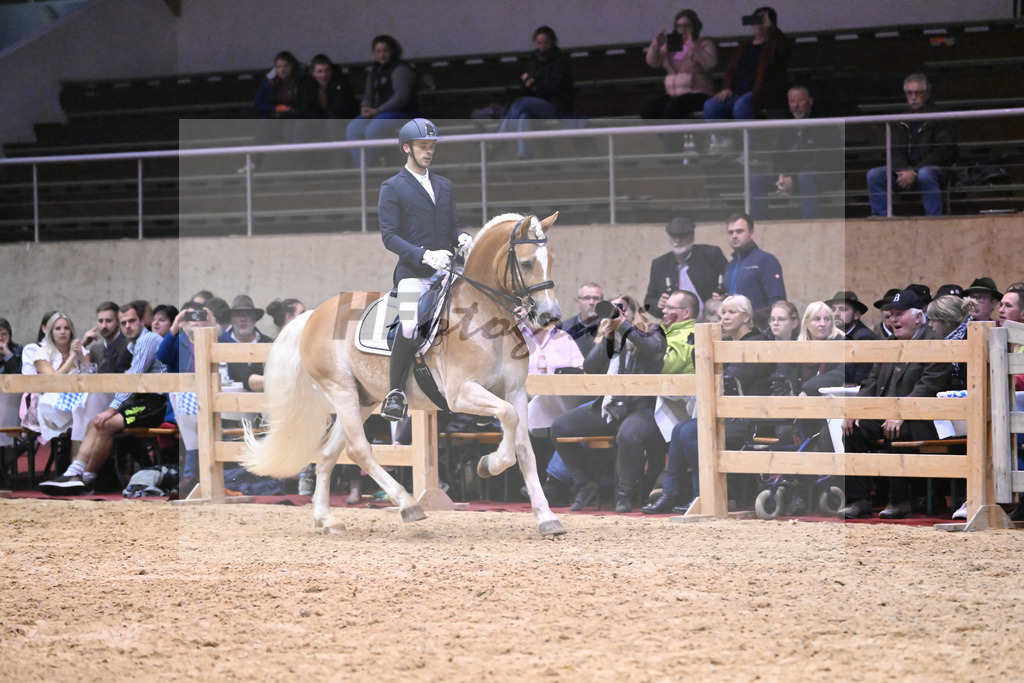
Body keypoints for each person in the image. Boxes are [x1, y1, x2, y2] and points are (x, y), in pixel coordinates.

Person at [645, 295, 773, 514]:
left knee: (688, 432)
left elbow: (731, 380)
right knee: (679, 429)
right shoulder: (727, 344)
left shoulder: (756, 342)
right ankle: (670, 493)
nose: (725, 317)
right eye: (722, 313)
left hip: (748, 417)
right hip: (727, 413)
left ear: (746, 317)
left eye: (731, 312)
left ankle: (703, 495)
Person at [379, 118, 471, 421]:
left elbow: (452, 225)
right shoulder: (392, 187)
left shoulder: (444, 185)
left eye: (431, 147)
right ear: (407, 148)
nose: (428, 152)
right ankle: (395, 393)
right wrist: (423, 256)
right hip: (413, 273)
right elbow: (389, 236)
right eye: (422, 147)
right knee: (408, 325)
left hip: (446, 270)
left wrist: (461, 237)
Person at [839, 288, 953, 520]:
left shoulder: (936, 344)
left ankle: (900, 501)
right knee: (853, 429)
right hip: (886, 415)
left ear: (919, 316)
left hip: (922, 418)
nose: (893, 320)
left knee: (895, 430)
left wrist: (902, 412)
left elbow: (928, 386)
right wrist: (856, 410)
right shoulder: (887, 343)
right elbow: (871, 381)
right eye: (890, 315)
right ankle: (858, 500)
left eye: (899, 314)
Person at [549, 294, 667, 514]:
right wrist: (607, 337)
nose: (616, 313)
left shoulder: (653, 331)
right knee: (560, 427)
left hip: (643, 407)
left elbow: (653, 350)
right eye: (612, 309)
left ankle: (625, 495)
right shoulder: (610, 337)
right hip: (610, 406)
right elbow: (591, 368)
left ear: (635, 312)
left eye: (622, 309)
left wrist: (625, 326)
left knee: (628, 435)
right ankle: (584, 485)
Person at [39, 302, 167, 495]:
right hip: (140, 402)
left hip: (156, 404)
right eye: (124, 323)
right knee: (95, 422)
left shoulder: (147, 340)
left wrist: (111, 410)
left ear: (142, 322)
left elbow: (132, 380)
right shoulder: (133, 344)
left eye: (132, 321)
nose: (128, 327)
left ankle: (87, 479)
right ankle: (74, 473)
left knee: (105, 422)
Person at [866, 74, 959, 217]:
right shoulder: (902, 120)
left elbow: (944, 151)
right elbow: (895, 151)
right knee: (874, 175)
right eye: (909, 93)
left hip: (934, 170)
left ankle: (934, 220)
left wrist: (914, 171)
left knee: (925, 174)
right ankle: (881, 218)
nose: (913, 97)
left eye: (918, 93)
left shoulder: (940, 117)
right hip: (907, 170)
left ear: (927, 94)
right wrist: (903, 170)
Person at [750, 85, 842, 220]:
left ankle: (809, 221)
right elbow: (779, 156)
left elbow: (823, 161)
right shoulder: (786, 127)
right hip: (792, 177)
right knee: (757, 180)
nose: (796, 105)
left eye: (800, 100)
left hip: (821, 176)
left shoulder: (825, 124)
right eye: (792, 101)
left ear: (810, 101)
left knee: (805, 177)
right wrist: (782, 175)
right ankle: (758, 223)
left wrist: (792, 177)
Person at [156, 301, 219, 495]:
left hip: (212, 399)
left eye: (200, 317)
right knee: (198, 420)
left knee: (205, 419)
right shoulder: (178, 341)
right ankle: (193, 476)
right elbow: (161, 356)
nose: (195, 322)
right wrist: (175, 326)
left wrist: (215, 327)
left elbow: (231, 350)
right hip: (183, 405)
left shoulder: (213, 338)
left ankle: (192, 476)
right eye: (189, 317)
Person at [703, 6, 793, 129]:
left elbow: (786, 50)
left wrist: (773, 28)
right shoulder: (744, 46)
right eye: (755, 19)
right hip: (737, 92)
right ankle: (719, 141)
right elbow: (730, 70)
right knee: (711, 105)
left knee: (740, 106)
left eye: (761, 19)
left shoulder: (774, 44)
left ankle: (751, 144)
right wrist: (726, 88)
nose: (757, 23)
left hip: (761, 93)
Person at [497, 26, 575, 160]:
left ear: (552, 42)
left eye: (546, 43)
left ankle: (499, 139)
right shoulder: (534, 60)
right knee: (524, 116)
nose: (543, 46)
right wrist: (525, 86)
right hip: (537, 103)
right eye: (539, 43)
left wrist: (534, 83)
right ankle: (524, 154)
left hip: (555, 105)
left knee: (521, 103)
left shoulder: (560, 61)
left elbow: (554, 88)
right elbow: (531, 89)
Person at [346, 35, 418, 167]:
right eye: (378, 51)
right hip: (376, 113)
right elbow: (368, 95)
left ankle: (372, 165)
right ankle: (363, 167)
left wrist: (377, 110)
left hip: (400, 113)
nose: (382, 55)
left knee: (373, 129)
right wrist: (365, 108)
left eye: (385, 51)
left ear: (392, 51)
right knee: (353, 129)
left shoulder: (401, 69)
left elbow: (400, 98)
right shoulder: (374, 71)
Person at [641, 10, 716, 123]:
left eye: (687, 26)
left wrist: (693, 46)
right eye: (679, 26)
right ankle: (669, 140)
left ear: (695, 26)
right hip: (673, 94)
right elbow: (653, 62)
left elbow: (710, 65)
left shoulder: (703, 43)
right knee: (649, 109)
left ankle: (674, 140)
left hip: (697, 93)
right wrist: (656, 45)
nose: (682, 30)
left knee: (672, 109)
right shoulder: (671, 46)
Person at [644, 216, 727, 318]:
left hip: (711, 322)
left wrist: (723, 298)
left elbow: (729, 285)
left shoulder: (711, 255)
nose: (678, 240)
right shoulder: (660, 264)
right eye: (674, 237)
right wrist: (658, 304)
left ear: (692, 236)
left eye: (682, 236)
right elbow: (648, 302)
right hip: (676, 327)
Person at [244, 50, 304, 173]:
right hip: (276, 118)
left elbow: (305, 105)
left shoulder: (302, 79)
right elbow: (259, 103)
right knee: (265, 126)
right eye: (279, 66)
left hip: (296, 118)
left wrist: (289, 111)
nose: (282, 70)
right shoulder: (269, 80)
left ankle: (299, 169)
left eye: (286, 66)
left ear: (293, 66)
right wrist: (275, 109)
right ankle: (253, 164)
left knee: (292, 128)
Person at [722, 212, 786, 313]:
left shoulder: (766, 260)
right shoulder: (730, 265)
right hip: (734, 325)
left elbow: (776, 300)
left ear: (751, 233)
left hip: (757, 326)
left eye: (739, 231)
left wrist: (766, 325)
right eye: (730, 232)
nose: (734, 236)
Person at [219, 296, 274, 392]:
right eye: (238, 315)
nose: (243, 319)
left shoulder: (269, 344)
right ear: (230, 320)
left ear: (255, 319)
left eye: (248, 314)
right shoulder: (220, 346)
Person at [825, 290, 877, 386]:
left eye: (843, 309)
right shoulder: (833, 335)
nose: (836, 313)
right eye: (833, 309)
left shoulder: (864, 338)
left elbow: (859, 378)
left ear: (857, 315)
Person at [559, 282, 604, 357]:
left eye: (596, 298)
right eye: (587, 298)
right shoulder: (564, 329)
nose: (591, 302)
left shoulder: (609, 327)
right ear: (578, 302)